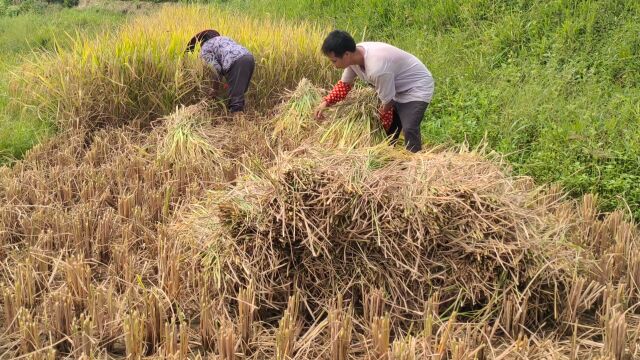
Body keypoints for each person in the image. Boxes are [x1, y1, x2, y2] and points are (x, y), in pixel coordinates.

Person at [314, 30, 434, 152]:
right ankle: (390, 156)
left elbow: (388, 102)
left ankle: (416, 162)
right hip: (394, 87)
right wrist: (326, 103)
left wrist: (376, 119)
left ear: (346, 55)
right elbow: (345, 85)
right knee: (390, 129)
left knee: (409, 127)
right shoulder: (353, 57)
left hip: (416, 86)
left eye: (334, 61)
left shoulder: (376, 68)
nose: (333, 65)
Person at [186, 29, 255, 113]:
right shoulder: (225, 38)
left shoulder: (205, 48)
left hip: (236, 62)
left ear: (200, 42)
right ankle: (241, 119)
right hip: (249, 57)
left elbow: (216, 69)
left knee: (235, 100)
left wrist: (214, 90)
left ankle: (237, 121)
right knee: (238, 93)